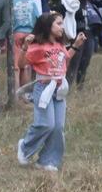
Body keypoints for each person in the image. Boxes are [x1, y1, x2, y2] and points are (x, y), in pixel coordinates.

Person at [14, 11, 69, 172]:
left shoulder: (60, 45)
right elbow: (22, 63)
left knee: (58, 127)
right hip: (44, 88)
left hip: (59, 89)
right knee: (46, 123)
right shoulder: (37, 47)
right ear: (47, 26)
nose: (62, 27)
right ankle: (25, 146)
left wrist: (76, 47)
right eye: (58, 23)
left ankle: (47, 160)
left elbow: (65, 60)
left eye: (62, 23)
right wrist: (25, 47)